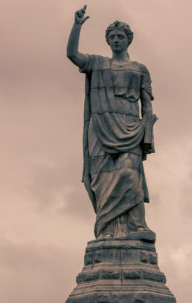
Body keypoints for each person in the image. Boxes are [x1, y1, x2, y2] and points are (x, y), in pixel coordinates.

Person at [67, 5, 157, 240]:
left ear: (129, 40)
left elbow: (147, 104)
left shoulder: (140, 69)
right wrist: (77, 26)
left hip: (131, 127)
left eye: (120, 37)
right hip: (100, 129)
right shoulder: (97, 63)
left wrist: (148, 131)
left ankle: (137, 226)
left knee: (130, 174)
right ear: (108, 41)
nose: (116, 40)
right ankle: (107, 229)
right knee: (103, 178)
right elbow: (73, 55)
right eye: (112, 37)